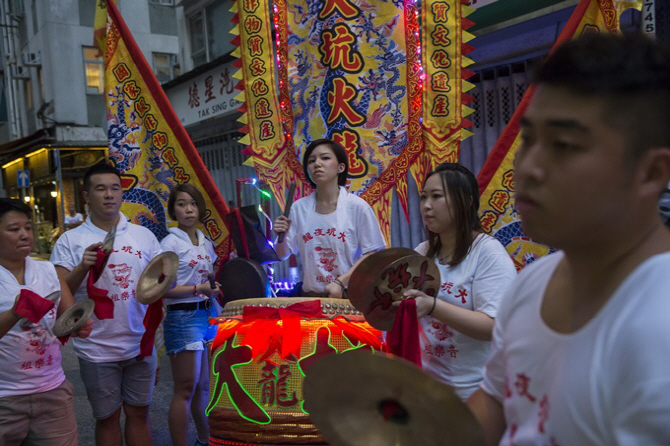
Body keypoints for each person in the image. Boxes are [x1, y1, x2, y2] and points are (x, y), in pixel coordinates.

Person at [466, 33, 670, 445]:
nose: (528, 168)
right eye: (528, 139)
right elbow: (495, 402)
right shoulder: (530, 284)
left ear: (650, 173)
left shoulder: (658, 337)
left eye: (563, 145)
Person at [50, 163, 162, 446]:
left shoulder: (143, 236)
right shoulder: (70, 240)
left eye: (115, 188)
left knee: (140, 414)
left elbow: (161, 282)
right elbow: (60, 294)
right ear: (86, 196)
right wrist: (82, 267)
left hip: (140, 342)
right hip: (97, 348)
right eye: (100, 189)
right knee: (108, 418)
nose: (109, 195)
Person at [399, 163, 515, 400]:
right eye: (423, 198)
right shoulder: (421, 253)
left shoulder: (488, 253)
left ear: (465, 201)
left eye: (436, 196)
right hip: (427, 392)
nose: (426, 206)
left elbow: (494, 326)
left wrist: (433, 306)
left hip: (477, 393)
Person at [0, 198, 92, 445]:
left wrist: (79, 327)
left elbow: (69, 318)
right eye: (13, 229)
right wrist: (13, 314)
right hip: (4, 399)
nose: (24, 235)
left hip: (51, 392)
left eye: (27, 228)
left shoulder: (48, 271)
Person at [273, 139, 386, 297]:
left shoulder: (358, 207)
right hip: (310, 297)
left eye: (325, 158)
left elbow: (373, 255)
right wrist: (280, 235)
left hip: (348, 297)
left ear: (341, 167)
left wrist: (341, 282)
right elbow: (281, 254)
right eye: (311, 161)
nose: (317, 164)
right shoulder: (298, 208)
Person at [160, 184, 221, 446]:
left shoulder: (205, 240)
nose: (188, 209)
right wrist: (199, 289)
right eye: (182, 204)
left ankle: (204, 439)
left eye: (193, 203)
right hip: (182, 317)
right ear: (173, 209)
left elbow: (211, 277)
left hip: (208, 315)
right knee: (185, 388)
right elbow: (162, 288)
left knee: (204, 387)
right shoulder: (169, 243)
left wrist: (214, 290)